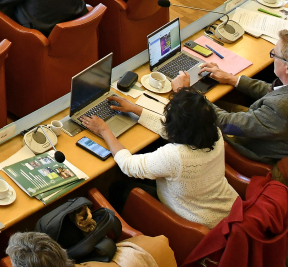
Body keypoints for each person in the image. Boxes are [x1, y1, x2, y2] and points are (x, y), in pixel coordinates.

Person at [82, 88, 238, 227]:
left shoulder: (175, 156)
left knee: (118, 188)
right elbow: (175, 131)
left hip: (196, 221)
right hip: (229, 207)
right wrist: (136, 110)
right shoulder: (213, 132)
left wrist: (104, 130)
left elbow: (128, 165)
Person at [190, 29, 288, 163]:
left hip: (254, 152)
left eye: (274, 54)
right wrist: (232, 79)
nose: (272, 57)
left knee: (193, 121)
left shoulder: (281, 109)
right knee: (220, 102)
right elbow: (277, 92)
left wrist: (189, 94)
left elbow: (226, 122)